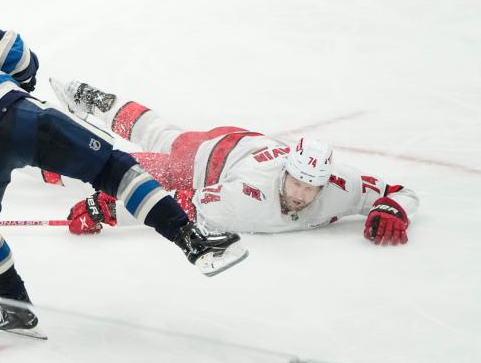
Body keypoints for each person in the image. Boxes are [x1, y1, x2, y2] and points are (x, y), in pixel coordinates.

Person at [0, 0, 249, 338]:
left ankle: (17, 310)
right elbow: (16, 52)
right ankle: (192, 240)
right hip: (13, 116)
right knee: (112, 168)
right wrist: (22, 84)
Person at [49, 79, 418, 245]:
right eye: (297, 183)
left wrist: (391, 208)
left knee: (164, 133)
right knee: (120, 167)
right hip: (207, 161)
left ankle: (95, 100)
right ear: (287, 171)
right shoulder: (246, 199)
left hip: (249, 143)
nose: (303, 195)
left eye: (311, 187)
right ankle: (47, 151)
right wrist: (104, 208)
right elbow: (179, 204)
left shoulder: (342, 187)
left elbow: (398, 192)